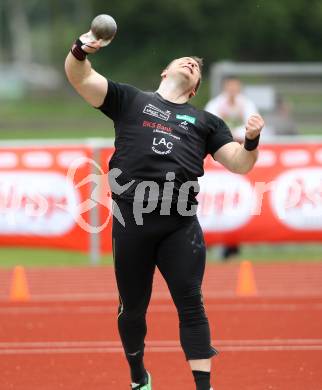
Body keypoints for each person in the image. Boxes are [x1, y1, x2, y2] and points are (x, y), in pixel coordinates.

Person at [65, 32, 264, 390]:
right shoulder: (129, 100)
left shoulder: (206, 122)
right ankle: (138, 376)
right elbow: (80, 77)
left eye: (197, 70)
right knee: (133, 310)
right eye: (185, 60)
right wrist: (82, 48)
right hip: (133, 223)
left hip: (179, 225)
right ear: (164, 71)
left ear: (194, 91)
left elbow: (239, 163)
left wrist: (250, 140)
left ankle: (204, 387)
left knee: (191, 304)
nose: (192, 64)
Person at [205, 76, 260, 260]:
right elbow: (209, 127)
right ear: (225, 87)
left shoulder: (247, 105)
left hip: (239, 154)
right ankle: (211, 240)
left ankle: (232, 243)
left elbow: (254, 128)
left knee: (236, 202)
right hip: (219, 157)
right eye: (230, 86)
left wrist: (242, 138)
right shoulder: (215, 104)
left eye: (236, 86)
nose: (233, 89)